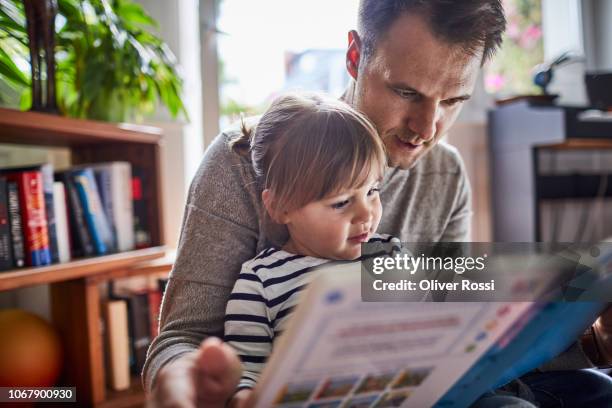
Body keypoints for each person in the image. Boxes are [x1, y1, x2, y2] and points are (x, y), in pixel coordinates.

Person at [144, 1, 612, 407]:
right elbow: (181, 338)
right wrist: (190, 384)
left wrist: (587, 333)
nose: (427, 127)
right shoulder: (243, 162)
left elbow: (457, 319)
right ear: (354, 55)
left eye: (454, 100)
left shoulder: (445, 172)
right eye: (407, 92)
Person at [224, 92, 399, 406]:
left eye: (372, 190)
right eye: (341, 202)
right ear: (280, 207)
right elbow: (247, 371)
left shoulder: (390, 257)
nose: (366, 214)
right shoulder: (260, 281)